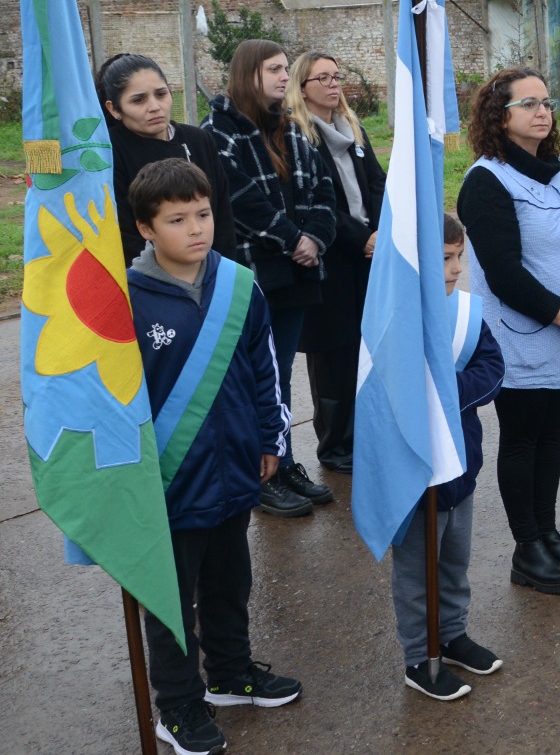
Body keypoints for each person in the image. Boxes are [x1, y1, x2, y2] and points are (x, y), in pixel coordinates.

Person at [125, 159, 301, 755]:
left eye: (202, 214)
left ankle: (230, 673)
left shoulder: (237, 283)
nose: (196, 229)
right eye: (177, 220)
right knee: (171, 596)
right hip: (169, 480)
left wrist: (270, 438)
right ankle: (176, 706)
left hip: (234, 468)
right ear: (146, 229)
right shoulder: (128, 300)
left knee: (230, 579)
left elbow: (263, 367)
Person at [457, 65, 560, 593]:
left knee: (552, 437)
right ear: (501, 115)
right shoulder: (486, 181)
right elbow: (503, 272)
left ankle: (548, 534)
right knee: (521, 441)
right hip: (522, 335)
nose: (543, 112)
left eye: (546, 102)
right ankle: (527, 550)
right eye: (530, 104)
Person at [204, 39, 336, 516]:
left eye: (285, 69)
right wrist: (292, 239)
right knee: (255, 377)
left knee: (281, 374)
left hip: (298, 275)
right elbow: (239, 201)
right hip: (257, 275)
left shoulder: (290, 128)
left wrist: (316, 238)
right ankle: (260, 474)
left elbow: (323, 188)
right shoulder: (217, 133)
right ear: (247, 74)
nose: (285, 77)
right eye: (275, 69)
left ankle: (284, 460)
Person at [392, 213, 505, 701]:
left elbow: (493, 367)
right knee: (418, 570)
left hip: (461, 463)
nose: (456, 268)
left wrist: (447, 390)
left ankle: (453, 635)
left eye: (459, 256)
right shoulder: (394, 317)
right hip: (417, 472)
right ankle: (420, 654)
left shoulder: (464, 313)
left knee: (455, 561)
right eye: (443, 259)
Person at [284, 52, 385, 475]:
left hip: (370, 257)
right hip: (331, 261)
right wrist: (362, 238)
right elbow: (312, 204)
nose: (332, 84)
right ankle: (336, 445)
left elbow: (377, 185)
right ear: (301, 86)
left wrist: (382, 231)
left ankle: (367, 436)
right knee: (334, 359)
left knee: (367, 351)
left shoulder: (353, 127)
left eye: (336, 76)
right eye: (321, 77)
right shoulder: (297, 135)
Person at [98, 53, 236, 266]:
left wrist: (223, 274)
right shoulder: (110, 152)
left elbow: (223, 215)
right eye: (138, 99)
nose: (154, 106)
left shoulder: (199, 140)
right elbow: (124, 231)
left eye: (161, 94)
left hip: (211, 270)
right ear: (114, 109)